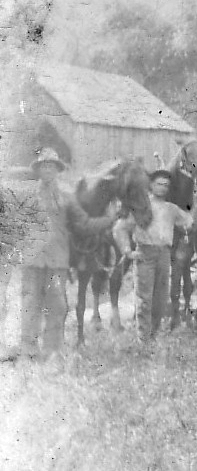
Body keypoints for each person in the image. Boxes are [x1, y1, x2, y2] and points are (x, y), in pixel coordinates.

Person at [14, 148, 119, 359]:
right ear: (38, 170)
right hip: (32, 260)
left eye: (52, 166)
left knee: (57, 305)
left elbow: (84, 224)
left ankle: (52, 350)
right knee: (30, 304)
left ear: (58, 170)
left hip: (57, 260)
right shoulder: (26, 196)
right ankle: (28, 349)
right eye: (44, 166)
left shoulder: (67, 196)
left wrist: (110, 219)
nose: (48, 170)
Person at [115, 168, 192, 341]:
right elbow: (120, 228)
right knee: (144, 298)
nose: (163, 188)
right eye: (159, 184)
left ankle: (153, 336)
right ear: (151, 186)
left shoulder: (172, 209)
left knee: (161, 299)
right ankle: (143, 340)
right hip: (145, 254)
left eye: (166, 185)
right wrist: (128, 251)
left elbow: (190, 222)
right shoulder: (142, 207)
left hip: (164, 254)